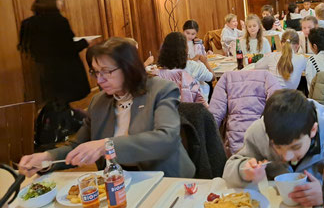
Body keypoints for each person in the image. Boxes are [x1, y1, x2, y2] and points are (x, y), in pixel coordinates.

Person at [18, 37, 195, 178]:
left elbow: (166, 139)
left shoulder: (160, 90)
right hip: (117, 182)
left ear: (129, 68)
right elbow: (78, 147)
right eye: (95, 72)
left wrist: (107, 145)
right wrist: (47, 158)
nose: (99, 80)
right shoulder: (98, 102)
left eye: (107, 71)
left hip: (166, 179)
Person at [223, 89, 324, 206]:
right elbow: (229, 169)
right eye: (277, 147)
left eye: (295, 146)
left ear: (313, 130)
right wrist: (244, 171)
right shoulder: (258, 131)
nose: (286, 157)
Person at [18, 0, 91, 148]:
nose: (61, 1)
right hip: (64, 72)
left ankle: (52, 133)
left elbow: (25, 48)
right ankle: (53, 136)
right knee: (59, 104)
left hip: (42, 73)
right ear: (52, 1)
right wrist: (85, 42)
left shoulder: (28, 23)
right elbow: (68, 48)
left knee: (56, 103)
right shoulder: (59, 22)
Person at [156, 32, 214, 101]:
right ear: (185, 48)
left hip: (170, 104)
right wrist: (205, 62)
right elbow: (212, 77)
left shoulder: (159, 72)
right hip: (195, 104)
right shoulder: (194, 67)